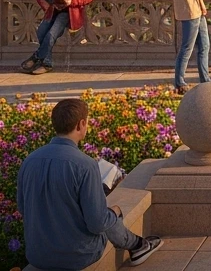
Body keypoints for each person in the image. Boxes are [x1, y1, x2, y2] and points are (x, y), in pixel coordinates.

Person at [17, 98, 164, 270]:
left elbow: (23, 207)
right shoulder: (85, 165)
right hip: (79, 255)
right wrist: (113, 212)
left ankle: (138, 245)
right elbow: (97, 223)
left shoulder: (29, 160)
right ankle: (138, 246)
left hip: (38, 255)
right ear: (81, 124)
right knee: (109, 214)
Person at [21, 0, 94, 74]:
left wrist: (70, 1)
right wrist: (49, 4)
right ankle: (45, 61)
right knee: (41, 32)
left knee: (51, 35)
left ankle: (39, 58)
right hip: (53, 11)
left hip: (67, 13)